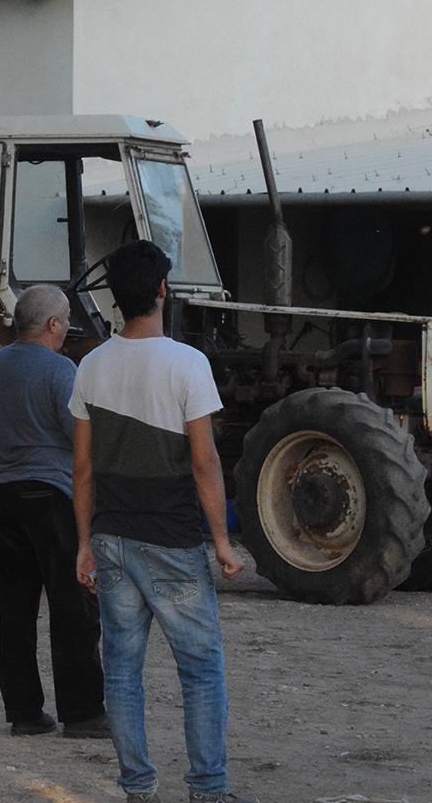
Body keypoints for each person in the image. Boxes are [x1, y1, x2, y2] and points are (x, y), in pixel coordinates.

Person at [69, 241, 255, 803]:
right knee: (200, 670)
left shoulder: (91, 365)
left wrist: (84, 542)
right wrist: (221, 539)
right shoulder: (188, 363)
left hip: (111, 536)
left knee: (123, 673)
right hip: (171, 537)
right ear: (161, 291)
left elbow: (82, 467)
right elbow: (205, 462)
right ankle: (208, 789)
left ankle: (138, 788)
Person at [0, 284, 108, 739]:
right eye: (65, 320)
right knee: (72, 606)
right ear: (53, 325)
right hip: (51, 494)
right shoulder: (60, 369)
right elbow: (80, 439)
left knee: (15, 609)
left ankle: (24, 712)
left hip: (3, 495)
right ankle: (83, 713)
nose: (67, 328)